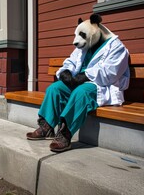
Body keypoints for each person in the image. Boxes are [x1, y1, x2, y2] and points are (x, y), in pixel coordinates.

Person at [26, 14, 130, 152]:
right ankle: (47, 127)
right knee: (54, 88)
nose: (76, 41)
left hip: (99, 85)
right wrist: (66, 72)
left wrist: (85, 75)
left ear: (96, 26)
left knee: (81, 93)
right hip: (79, 82)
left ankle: (65, 133)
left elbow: (110, 74)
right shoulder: (86, 44)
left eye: (81, 34)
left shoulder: (117, 47)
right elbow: (71, 61)